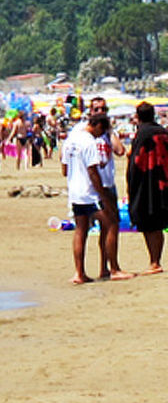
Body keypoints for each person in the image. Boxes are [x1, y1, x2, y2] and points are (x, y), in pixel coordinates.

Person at [62, 108, 131, 283]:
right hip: (90, 193)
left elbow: (64, 169)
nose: (101, 135)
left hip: (75, 192)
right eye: (101, 131)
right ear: (97, 126)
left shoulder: (70, 140)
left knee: (81, 230)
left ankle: (79, 273)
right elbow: (93, 172)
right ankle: (113, 268)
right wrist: (102, 195)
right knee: (111, 223)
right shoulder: (89, 142)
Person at [126, 102, 168, 275]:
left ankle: (154, 262)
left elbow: (137, 162)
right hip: (163, 183)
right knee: (158, 223)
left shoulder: (142, 134)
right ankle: (155, 260)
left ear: (138, 116)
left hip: (147, 183)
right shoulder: (162, 132)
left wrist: (131, 185)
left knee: (149, 223)